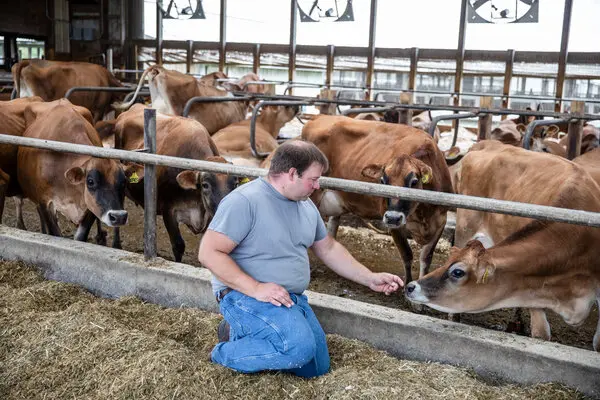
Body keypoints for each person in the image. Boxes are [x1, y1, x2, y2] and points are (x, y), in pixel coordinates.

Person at [198, 140, 404, 378]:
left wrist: (369, 278)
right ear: (292, 174)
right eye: (314, 179)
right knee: (297, 349)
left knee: (315, 367)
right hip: (243, 295)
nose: (318, 186)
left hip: (288, 298)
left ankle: (251, 333)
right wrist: (256, 288)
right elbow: (209, 253)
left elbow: (327, 248)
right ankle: (224, 351)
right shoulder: (244, 201)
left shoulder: (305, 206)